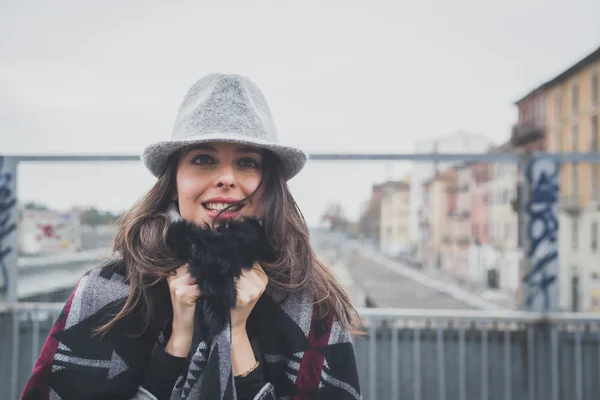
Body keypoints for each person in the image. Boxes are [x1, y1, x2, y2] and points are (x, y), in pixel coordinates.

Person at [21, 73, 362, 400]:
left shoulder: (310, 303)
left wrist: (239, 340)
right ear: (173, 183)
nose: (227, 177)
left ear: (270, 186)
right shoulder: (107, 294)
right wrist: (175, 345)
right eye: (203, 159)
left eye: (247, 163)